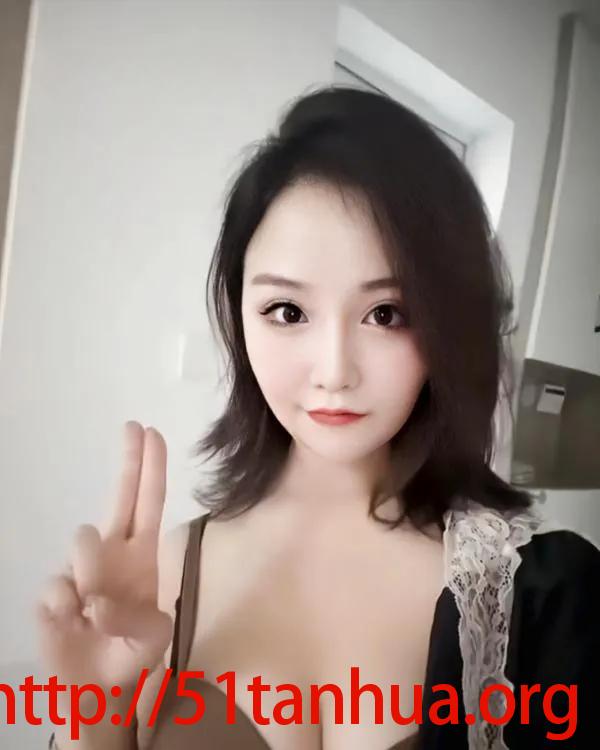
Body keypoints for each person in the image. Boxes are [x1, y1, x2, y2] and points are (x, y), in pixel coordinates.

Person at [37, 86, 600, 750]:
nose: (334, 371)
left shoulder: (542, 597)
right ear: (238, 316)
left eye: (386, 314)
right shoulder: (160, 574)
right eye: (288, 312)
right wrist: (97, 715)